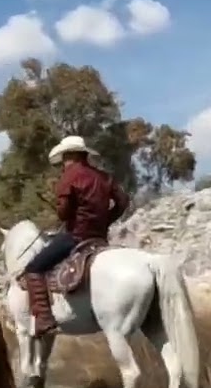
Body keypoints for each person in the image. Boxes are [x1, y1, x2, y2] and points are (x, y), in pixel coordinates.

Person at [22, 135, 130, 337]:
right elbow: (123, 201)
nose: (63, 163)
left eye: (64, 158)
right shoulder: (104, 176)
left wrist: (65, 212)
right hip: (99, 238)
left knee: (33, 268)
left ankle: (44, 319)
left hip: (76, 237)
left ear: (70, 155)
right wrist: (106, 220)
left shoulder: (69, 176)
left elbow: (63, 213)